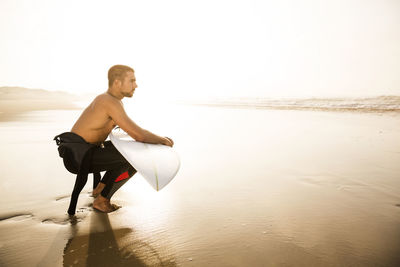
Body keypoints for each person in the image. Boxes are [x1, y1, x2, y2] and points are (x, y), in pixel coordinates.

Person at [68, 64, 173, 213]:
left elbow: (131, 132)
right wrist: (164, 140)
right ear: (117, 82)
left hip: (83, 153)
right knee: (135, 157)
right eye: (132, 80)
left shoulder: (111, 101)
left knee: (131, 149)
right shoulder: (108, 101)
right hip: (79, 157)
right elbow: (139, 135)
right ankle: (102, 201)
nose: (136, 85)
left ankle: (101, 189)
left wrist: (150, 139)